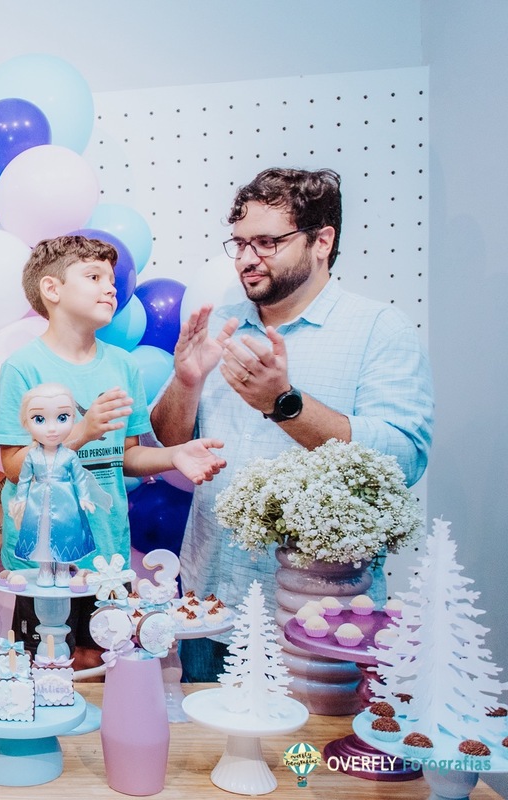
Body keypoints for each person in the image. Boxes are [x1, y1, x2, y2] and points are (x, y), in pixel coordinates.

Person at [150, 167, 434, 681]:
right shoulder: (221, 323)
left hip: (324, 614)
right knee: (215, 760)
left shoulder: (377, 329)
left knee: (307, 762)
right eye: (238, 243)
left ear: (321, 241)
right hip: (213, 608)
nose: (246, 259)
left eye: (266, 242)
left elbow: (402, 460)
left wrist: (284, 403)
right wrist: (186, 382)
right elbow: (170, 440)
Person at [0, 236, 226, 668]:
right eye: (94, 276)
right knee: (48, 667)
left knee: (101, 664)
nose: (111, 288)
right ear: (52, 289)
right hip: (45, 566)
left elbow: (127, 458)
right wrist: (79, 432)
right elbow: (12, 468)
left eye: (112, 280)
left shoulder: (122, 365)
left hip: (108, 556)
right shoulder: (23, 367)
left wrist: (173, 455)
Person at [8, 383, 109, 588]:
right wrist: (20, 499)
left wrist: (84, 497)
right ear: (26, 423)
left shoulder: (69, 455)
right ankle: (45, 569)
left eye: (62, 418)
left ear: (73, 418)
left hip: (66, 503)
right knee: (42, 534)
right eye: (40, 419)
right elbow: (25, 479)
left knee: (66, 534)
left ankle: (63, 570)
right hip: (38, 503)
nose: (52, 428)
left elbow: (79, 478)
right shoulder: (32, 456)